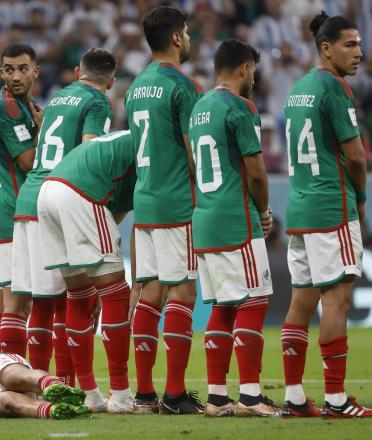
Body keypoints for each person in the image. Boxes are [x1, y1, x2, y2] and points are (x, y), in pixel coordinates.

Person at [280, 11, 372, 418]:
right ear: (326, 48)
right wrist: (360, 198)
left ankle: (293, 397)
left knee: (299, 304)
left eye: (359, 44)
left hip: (300, 209)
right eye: (350, 44)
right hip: (330, 208)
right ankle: (336, 400)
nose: (359, 52)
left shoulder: (297, 88)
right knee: (336, 302)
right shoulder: (336, 88)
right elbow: (356, 157)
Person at [7, 48, 115, 410]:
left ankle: (41, 385)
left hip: (29, 199)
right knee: (75, 298)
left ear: (76, 71)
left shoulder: (55, 99)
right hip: (61, 198)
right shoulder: (98, 103)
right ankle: (75, 386)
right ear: (111, 81)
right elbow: (90, 153)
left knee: (42, 302)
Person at [189, 39, 279, 417]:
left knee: (224, 305)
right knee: (254, 299)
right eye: (253, 70)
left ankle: (216, 397)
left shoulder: (198, 108)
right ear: (244, 68)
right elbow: (256, 172)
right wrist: (263, 211)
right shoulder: (240, 107)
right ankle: (252, 395)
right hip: (235, 218)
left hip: (205, 217)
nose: (254, 77)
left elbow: (195, 167)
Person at [124, 5, 203, 415]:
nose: (189, 39)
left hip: (145, 202)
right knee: (184, 292)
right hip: (176, 203)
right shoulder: (183, 86)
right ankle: (174, 394)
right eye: (187, 32)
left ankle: (143, 394)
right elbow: (194, 154)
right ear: (176, 37)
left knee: (151, 293)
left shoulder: (135, 86)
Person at [38, 130, 137, 413]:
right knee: (117, 294)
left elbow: (112, 212)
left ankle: (89, 393)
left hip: (49, 193)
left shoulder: (125, 139)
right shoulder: (155, 142)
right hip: (81, 194)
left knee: (80, 295)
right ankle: (120, 394)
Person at [0, 44, 41, 358]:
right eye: (8, 69)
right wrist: (44, 131)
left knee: (5, 302)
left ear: (35, 71)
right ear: (1, 71)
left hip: (1, 210)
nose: (15, 75)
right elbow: (28, 161)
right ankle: (9, 375)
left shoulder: (20, 105)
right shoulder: (8, 106)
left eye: (22, 68)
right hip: (11, 211)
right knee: (16, 303)